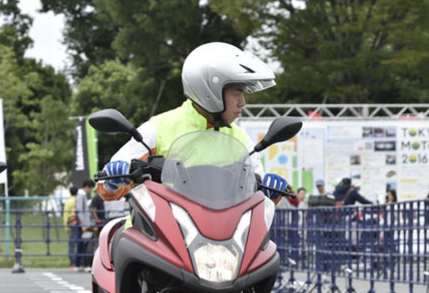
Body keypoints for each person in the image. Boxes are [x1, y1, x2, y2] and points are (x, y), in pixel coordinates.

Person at [96, 42, 287, 203]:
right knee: (125, 245)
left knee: (268, 249)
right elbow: (106, 190)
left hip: (222, 234)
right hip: (160, 234)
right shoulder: (158, 129)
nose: (242, 102)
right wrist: (114, 180)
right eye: (237, 93)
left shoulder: (240, 139)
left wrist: (271, 192)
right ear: (210, 91)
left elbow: (257, 196)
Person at [75, 179, 95, 270]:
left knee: (82, 244)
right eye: (90, 189)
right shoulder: (81, 195)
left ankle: (79, 264)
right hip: (83, 224)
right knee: (83, 244)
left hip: (84, 223)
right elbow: (80, 210)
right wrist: (83, 224)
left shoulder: (82, 195)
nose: (90, 191)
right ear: (87, 187)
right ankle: (82, 264)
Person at [63, 186, 79, 270]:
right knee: (79, 243)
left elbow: (65, 214)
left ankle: (72, 262)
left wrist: (66, 227)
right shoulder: (78, 200)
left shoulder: (68, 202)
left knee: (71, 244)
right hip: (79, 223)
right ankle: (78, 261)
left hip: (71, 223)